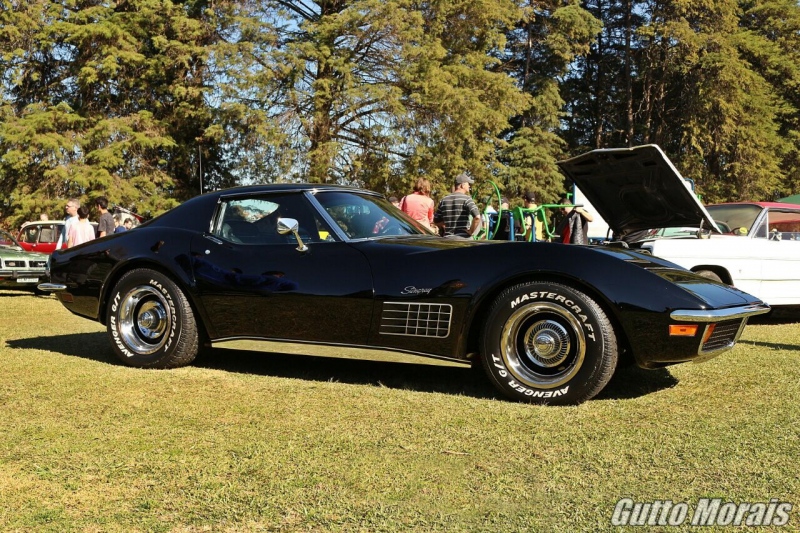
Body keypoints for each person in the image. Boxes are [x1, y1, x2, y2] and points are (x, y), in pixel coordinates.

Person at [433, 173, 481, 238]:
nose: (469, 186)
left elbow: (436, 220)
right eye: (468, 184)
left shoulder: (444, 200)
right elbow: (477, 217)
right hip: (463, 239)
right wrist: (471, 231)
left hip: (448, 239)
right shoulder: (467, 199)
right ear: (462, 185)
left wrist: (447, 224)